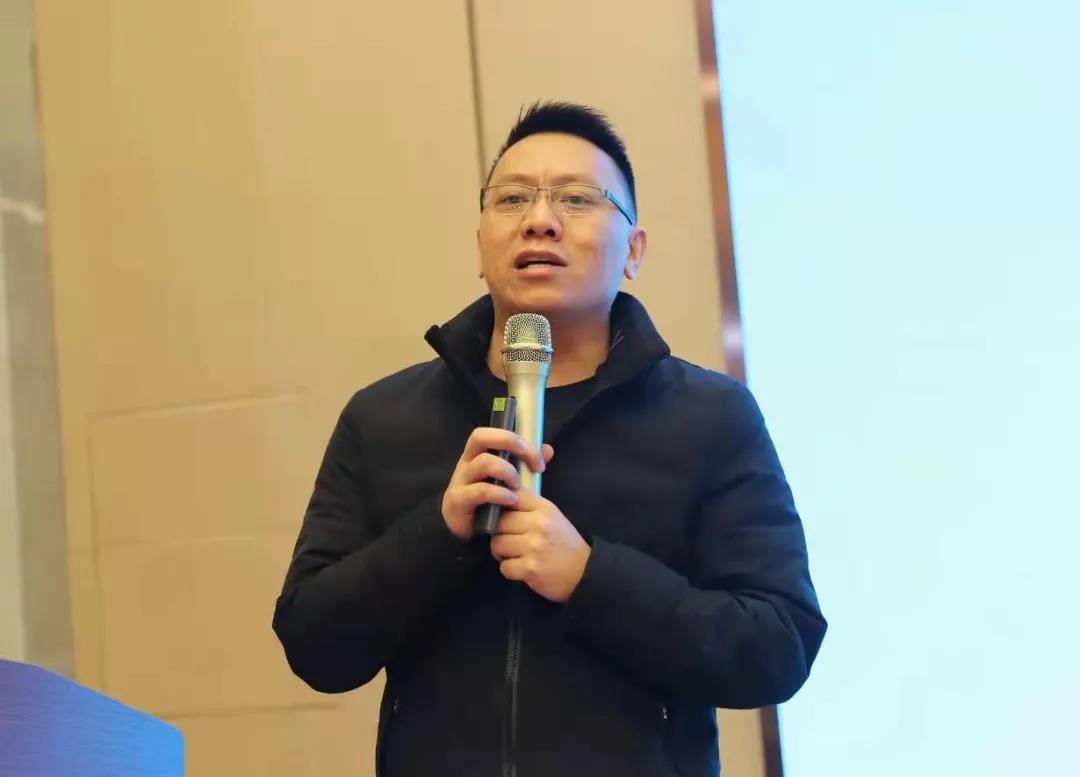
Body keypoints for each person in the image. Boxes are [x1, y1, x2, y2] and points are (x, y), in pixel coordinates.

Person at [273, 101, 825, 777]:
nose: (540, 219)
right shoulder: (384, 418)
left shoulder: (710, 417)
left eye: (577, 198)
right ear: (481, 242)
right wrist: (436, 535)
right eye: (512, 198)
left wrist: (591, 578)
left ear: (634, 251)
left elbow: (778, 646)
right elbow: (313, 644)